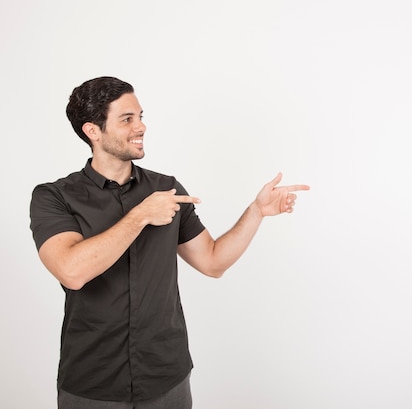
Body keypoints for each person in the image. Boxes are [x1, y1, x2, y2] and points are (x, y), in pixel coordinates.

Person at [29, 76, 310, 409]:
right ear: (93, 131)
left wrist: (257, 212)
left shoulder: (167, 188)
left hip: (167, 379)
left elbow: (213, 262)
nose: (141, 127)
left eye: (141, 116)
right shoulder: (54, 196)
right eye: (127, 119)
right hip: (93, 383)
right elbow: (71, 271)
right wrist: (140, 215)